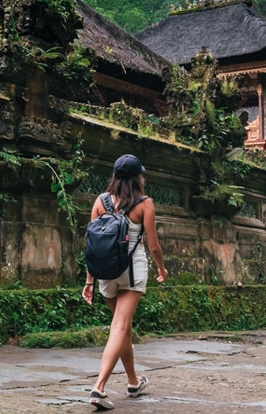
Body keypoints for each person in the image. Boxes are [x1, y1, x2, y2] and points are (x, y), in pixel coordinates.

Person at [82, 154, 168, 411]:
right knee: (119, 327)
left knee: (124, 328)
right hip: (131, 271)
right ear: (137, 178)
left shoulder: (100, 201)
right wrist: (162, 268)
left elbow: (92, 246)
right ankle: (99, 387)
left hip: (105, 271)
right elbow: (153, 246)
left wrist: (89, 281)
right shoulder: (144, 204)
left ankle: (133, 381)